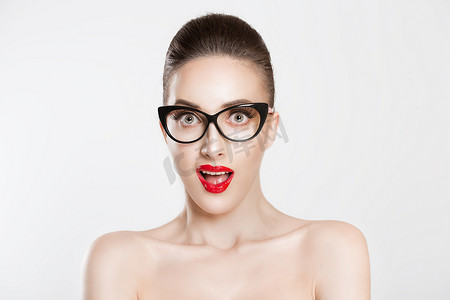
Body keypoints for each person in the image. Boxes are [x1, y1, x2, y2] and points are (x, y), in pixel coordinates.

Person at [82, 13, 370, 299]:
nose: (213, 146)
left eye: (238, 116)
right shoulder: (119, 262)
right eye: (188, 118)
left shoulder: (332, 251)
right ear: (165, 129)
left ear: (270, 129)